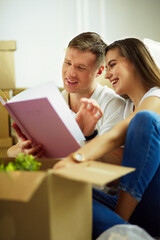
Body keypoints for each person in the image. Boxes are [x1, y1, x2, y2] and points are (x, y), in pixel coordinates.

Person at [53, 38, 160, 239]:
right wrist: (87, 138)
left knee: (144, 120)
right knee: (60, 193)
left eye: (112, 65)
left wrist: (75, 158)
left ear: (135, 61)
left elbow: (114, 137)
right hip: (128, 203)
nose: (108, 74)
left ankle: (120, 225)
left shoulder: (156, 98)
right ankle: (123, 231)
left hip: (150, 202)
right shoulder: (128, 106)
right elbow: (119, 159)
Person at [7, 32, 125, 159]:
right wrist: (19, 150)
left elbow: (115, 160)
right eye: (68, 63)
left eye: (81, 68)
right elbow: (12, 151)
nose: (71, 73)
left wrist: (88, 136)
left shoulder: (113, 105)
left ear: (100, 71)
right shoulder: (50, 103)